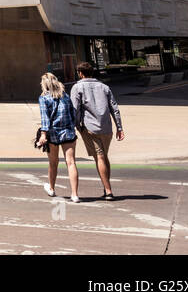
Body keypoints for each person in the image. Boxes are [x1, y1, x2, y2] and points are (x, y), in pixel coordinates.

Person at [70, 62, 125, 200]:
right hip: (107, 128)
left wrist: (75, 126)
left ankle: (108, 190)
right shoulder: (104, 87)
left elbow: (75, 109)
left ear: (80, 73)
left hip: (90, 128)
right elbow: (115, 108)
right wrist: (119, 127)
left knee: (99, 157)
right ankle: (106, 186)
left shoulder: (77, 87)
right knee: (104, 156)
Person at [37, 72, 81, 202]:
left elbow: (45, 118)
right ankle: (74, 194)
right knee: (71, 162)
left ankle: (51, 188)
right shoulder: (65, 96)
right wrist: (73, 127)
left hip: (53, 134)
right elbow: (73, 113)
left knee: (53, 162)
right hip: (68, 132)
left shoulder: (44, 98)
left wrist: (43, 134)